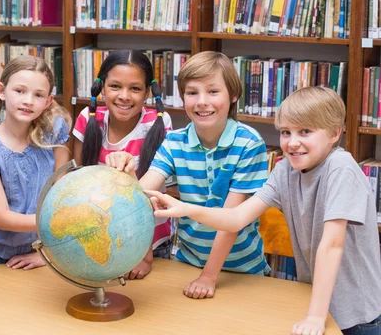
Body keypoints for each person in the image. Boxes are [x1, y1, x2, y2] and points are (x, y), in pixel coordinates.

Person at [148, 86, 381, 335]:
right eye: (285, 132)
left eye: (305, 131)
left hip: (356, 314)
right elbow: (237, 217)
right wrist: (185, 208)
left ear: (335, 133)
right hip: (317, 305)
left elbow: (332, 245)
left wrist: (315, 316)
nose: (292, 143)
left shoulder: (341, 167)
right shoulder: (285, 170)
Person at [108, 51, 270, 297]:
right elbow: (143, 194)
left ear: (233, 95)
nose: (202, 101)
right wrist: (128, 173)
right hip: (187, 264)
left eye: (213, 92)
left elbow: (231, 221)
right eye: (192, 93)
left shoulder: (249, 143)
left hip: (242, 270)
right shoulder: (174, 141)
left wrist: (209, 276)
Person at [72, 49, 172, 279]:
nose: (124, 96)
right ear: (102, 87)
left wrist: (145, 257)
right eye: (115, 86)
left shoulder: (157, 123)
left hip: (152, 244)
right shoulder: (88, 119)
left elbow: (154, 194)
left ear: (147, 92)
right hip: (102, 239)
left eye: (135, 88)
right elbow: (77, 184)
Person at [0, 55, 72, 269]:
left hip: (45, 252)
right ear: (1, 91)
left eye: (38, 95)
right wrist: (64, 222)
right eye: (20, 91)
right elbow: (1, 218)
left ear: (48, 102)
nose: (28, 101)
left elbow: (61, 194)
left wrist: (48, 252)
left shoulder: (54, 131)